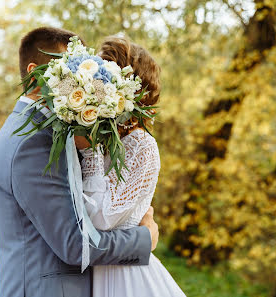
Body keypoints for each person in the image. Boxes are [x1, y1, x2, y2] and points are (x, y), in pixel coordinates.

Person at [0, 27, 159, 297]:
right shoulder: (32, 141)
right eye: (65, 71)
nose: (75, 81)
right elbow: (72, 244)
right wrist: (144, 239)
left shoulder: (45, 130)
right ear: (35, 75)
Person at [76, 36, 187, 297]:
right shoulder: (101, 138)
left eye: (105, 79)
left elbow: (102, 220)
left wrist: (89, 150)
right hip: (97, 273)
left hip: (126, 278)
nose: (96, 87)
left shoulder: (141, 145)